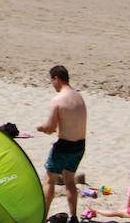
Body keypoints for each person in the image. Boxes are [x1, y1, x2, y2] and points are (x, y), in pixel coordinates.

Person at [37, 64, 87, 222]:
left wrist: (41, 128)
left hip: (64, 146)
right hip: (80, 145)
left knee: (49, 181)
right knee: (70, 180)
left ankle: (42, 218)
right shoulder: (78, 96)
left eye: (52, 81)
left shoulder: (57, 100)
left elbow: (50, 127)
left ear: (56, 78)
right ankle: (73, 217)